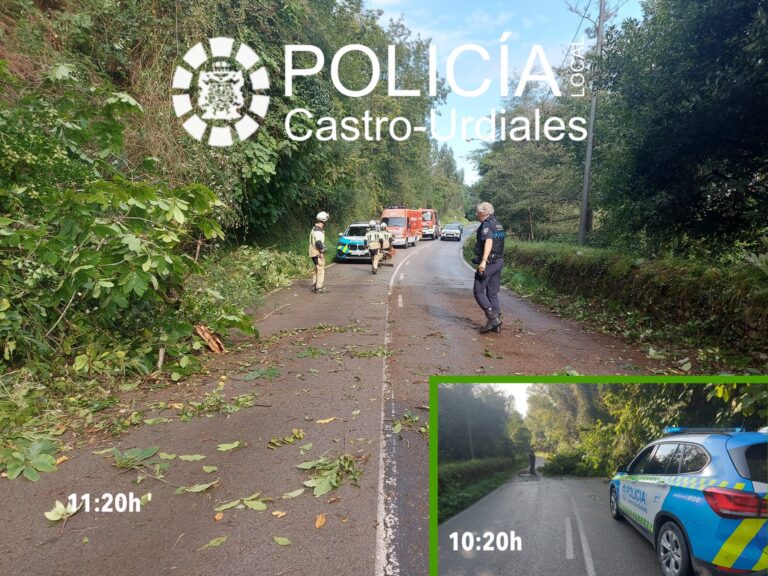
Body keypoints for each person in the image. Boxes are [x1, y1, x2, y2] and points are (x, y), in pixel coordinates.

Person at [473, 201, 505, 333]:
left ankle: (492, 318)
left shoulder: (486, 225)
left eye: (477, 212)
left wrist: (483, 261)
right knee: (492, 292)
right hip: (499, 262)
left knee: (478, 290)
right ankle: (496, 323)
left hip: (490, 263)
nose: (476, 214)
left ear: (482, 213)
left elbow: (489, 241)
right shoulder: (497, 224)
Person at [309, 211, 329, 293]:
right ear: (324, 220)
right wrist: (322, 251)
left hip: (312, 251)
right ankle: (319, 287)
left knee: (317, 268)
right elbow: (318, 242)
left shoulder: (315, 228)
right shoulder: (318, 230)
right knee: (320, 268)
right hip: (316, 251)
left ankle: (314, 285)